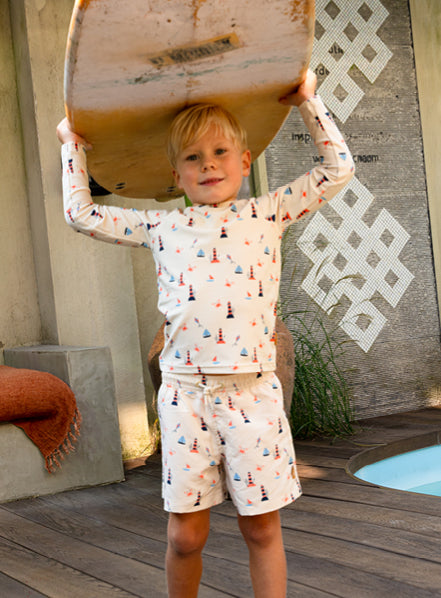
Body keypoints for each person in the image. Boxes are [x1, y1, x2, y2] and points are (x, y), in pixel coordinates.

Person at [57, 69, 354, 598]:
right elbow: (81, 214)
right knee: (185, 535)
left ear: (245, 161)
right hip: (185, 398)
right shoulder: (160, 227)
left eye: (220, 152)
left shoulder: (269, 212)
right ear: (176, 175)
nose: (209, 164)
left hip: (253, 396)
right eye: (193, 158)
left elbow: (338, 170)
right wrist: (71, 146)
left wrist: (308, 100)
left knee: (261, 529)